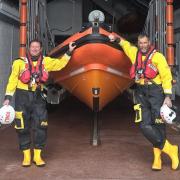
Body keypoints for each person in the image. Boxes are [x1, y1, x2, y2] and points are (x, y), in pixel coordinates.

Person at [109, 33, 179, 170]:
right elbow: (125, 45)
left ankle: (157, 159)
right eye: (140, 43)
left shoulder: (158, 57)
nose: (143, 45)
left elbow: (166, 76)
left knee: (158, 124)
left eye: (145, 42)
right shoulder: (135, 53)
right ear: (138, 43)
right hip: (141, 93)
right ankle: (171, 150)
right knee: (144, 125)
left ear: (149, 43)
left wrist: (167, 96)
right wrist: (115, 39)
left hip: (156, 93)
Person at [3, 39, 76, 167]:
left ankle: (37, 156)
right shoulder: (18, 63)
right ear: (29, 48)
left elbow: (60, 64)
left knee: (41, 125)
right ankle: (26, 156)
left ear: (41, 49)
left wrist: (69, 52)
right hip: (22, 96)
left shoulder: (46, 62)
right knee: (22, 126)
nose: (35, 48)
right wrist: (8, 97)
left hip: (38, 96)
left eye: (37, 47)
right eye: (32, 46)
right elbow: (12, 79)